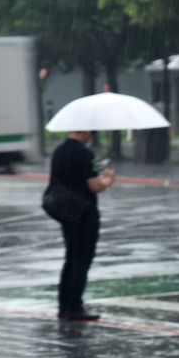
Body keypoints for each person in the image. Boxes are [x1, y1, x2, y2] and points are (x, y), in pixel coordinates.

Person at [49, 130, 115, 321]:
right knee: (82, 261)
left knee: (71, 259)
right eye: (91, 132)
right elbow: (94, 186)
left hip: (66, 211)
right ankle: (74, 307)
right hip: (84, 213)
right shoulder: (84, 154)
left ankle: (64, 306)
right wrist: (108, 180)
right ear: (84, 131)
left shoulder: (59, 151)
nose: (91, 135)